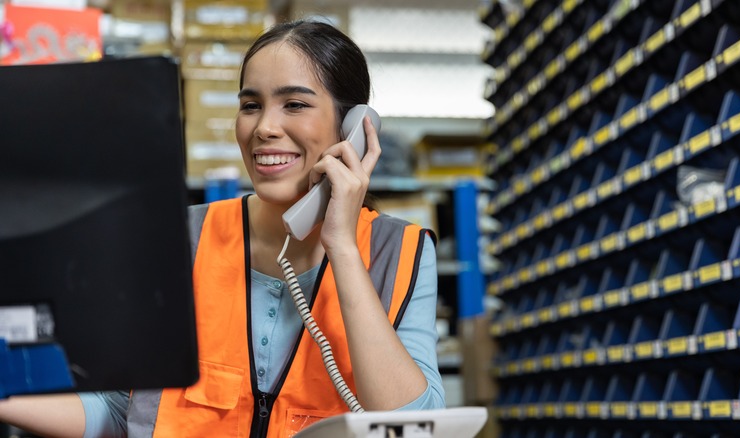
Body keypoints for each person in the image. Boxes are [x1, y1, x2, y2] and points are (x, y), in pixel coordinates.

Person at [0, 19, 445, 438]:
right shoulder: (178, 238)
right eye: (251, 105)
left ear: (354, 129)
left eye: (295, 104)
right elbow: (121, 410)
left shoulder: (400, 252)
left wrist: (342, 248)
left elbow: (412, 425)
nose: (264, 127)